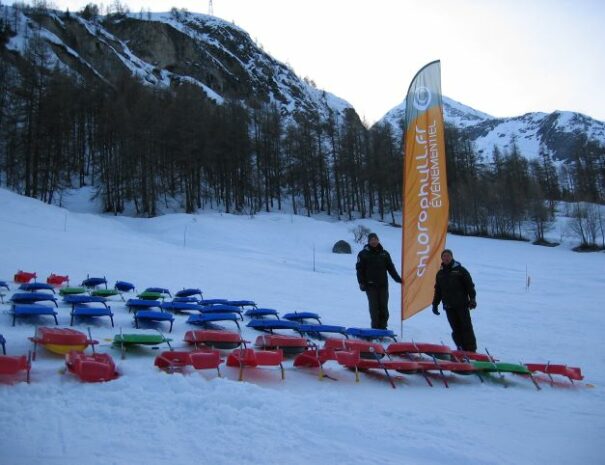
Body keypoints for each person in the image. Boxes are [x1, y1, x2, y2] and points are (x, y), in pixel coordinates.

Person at [432, 249, 478, 352]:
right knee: (455, 329)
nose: (446, 258)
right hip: (449, 306)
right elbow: (438, 290)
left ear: (452, 257)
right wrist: (435, 304)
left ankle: (471, 349)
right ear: (442, 259)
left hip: (461, 304)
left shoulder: (460, 270)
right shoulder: (440, 273)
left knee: (466, 327)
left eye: (448, 256)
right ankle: (460, 348)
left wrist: (473, 299)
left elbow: (470, 286)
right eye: (444, 256)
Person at [356, 232, 402, 329]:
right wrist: (361, 283)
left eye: (375, 239)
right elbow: (359, 270)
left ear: (378, 240)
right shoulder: (363, 254)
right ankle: (375, 329)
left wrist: (398, 279)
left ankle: (383, 327)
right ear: (368, 241)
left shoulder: (384, 254)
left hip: (383, 285)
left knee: (384, 308)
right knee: (374, 308)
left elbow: (391, 268)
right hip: (370, 285)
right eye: (372, 240)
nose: (374, 241)